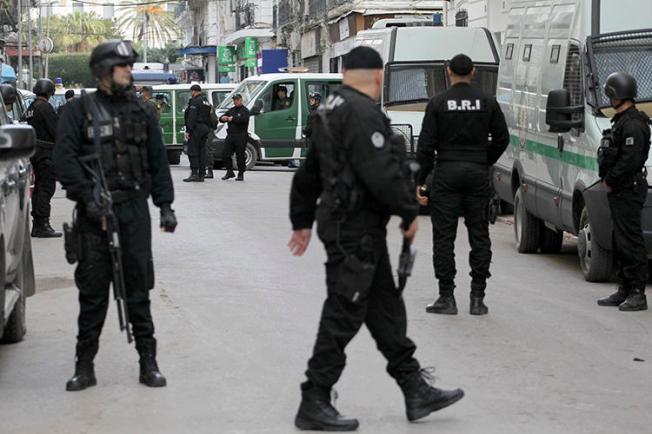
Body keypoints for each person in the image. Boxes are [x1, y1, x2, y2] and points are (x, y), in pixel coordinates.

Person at [289, 46, 464, 432]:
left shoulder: (329, 108)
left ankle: (414, 387)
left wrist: (300, 220)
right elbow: (379, 170)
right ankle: (314, 397)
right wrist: (408, 211)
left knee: (384, 307)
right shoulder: (361, 111)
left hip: (350, 226)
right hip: (353, 230)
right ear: (378, 76)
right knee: (343, 311)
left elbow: (308, 172)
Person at [53, 40, 177, 391]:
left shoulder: (141, 111)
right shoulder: (78, 112)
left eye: (129, 66)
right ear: (103, 72)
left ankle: (148, 361)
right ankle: (84, 365)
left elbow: (157, 162)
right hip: (95, 214)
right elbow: (64, 160)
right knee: (93, 293)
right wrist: (87, 198)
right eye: (122, 66)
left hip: (135, 210)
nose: (128, 71)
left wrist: (165, 206)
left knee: (138, 287)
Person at [415, 54, 509, 316]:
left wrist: (420, 182)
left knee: (444, 237)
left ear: (448, 72)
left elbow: (425, 147)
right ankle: (477, 298)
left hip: (446, 172)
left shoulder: (438, 103)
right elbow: (502, 138)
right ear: (474, 71)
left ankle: (447, 297)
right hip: (477, 173)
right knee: (479, 235)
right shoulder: (488, 102)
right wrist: (483, 160)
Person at [597, 71, 650, 311]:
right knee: (620, 239)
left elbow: (631, 160)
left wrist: (610, 179)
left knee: (630, 240)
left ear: (617, 95)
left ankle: (637, 292)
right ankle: (624, 288)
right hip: (620, 189)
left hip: (628, 188)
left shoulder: (634, 124)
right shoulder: (621, 121)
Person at [21, 78, 62, 238]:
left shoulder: (31, 108)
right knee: (46, 187)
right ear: (50, 92)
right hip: (46, 153)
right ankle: (43, 224)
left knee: (38, 188)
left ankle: (37, 224)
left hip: (35, 152)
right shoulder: (45, 107)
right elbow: (56, 130)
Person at [183, 84, 211, 182]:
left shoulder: (195, 101)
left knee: (193, 151)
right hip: (205, 128)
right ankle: (201, 174)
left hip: (196, 128)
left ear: (194, 91)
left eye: (192, 92)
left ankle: (194, 173)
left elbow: (192, 117)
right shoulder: (206, 101)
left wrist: (188, 130)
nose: (191, 93)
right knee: (202, 152)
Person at [220, 93, 250, 181]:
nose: (235, 101)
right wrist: (223, 118)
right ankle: (229, 171)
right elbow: (221, 118)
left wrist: (233, 119)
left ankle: (241, 173)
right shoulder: (231, 110)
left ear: (241, 100)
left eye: (237, 100)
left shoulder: (245, 110)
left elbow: (243, 120)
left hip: (241, 135)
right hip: (231, 135)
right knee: (225, 154)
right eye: (234, 100)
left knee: (240, 155)